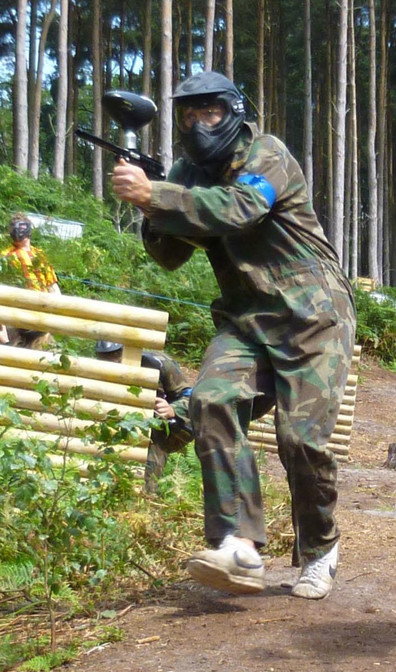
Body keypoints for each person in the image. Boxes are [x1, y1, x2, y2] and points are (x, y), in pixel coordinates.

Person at [111, 70, 356, 599]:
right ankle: (238, 545)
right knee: (211, 400)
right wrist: (148, 206)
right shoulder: (186, 172)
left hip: (313, 315)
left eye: (210, 112)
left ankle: (321, 548)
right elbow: (170, 257)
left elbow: (240, 209)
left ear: (233, 110)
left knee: (301, 441)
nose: (199, 124)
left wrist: (159, 193)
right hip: (245, 320)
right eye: (189, 114)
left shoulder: (266, 153)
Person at [94, 340, 195, 492]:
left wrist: (172, 409)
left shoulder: (157, 364)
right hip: (113, 425)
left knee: (145, 483)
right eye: (106, 357)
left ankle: (147, 495)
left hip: (156, 428)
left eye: (116, 355)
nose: (113, 361)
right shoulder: (92, 370)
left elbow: (190, 395)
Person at [1, 213, 62, 348]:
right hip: (16, 315)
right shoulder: (5, 257)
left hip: (41, 314)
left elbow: (52, 285)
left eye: (22, 227)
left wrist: (57, 312)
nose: (19, 232)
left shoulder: (39, 255)